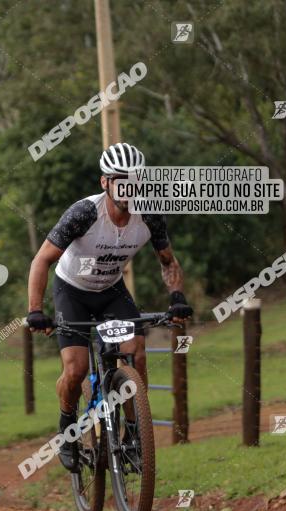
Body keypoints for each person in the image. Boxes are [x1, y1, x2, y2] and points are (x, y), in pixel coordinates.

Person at [25, 142, 193, 472]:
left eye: (136, 180)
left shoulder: (149, 216)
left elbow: (168, 261)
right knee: (74, 370)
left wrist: (176, 297)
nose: (129, 187)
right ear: (105, 182)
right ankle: (67, 427)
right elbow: (42, 260)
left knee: (136, 352)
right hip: (71, 290)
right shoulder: (84, 213)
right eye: (121, 179)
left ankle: (134, 432)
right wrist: (35, 309)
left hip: (111, 290)